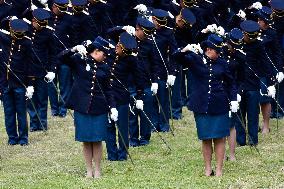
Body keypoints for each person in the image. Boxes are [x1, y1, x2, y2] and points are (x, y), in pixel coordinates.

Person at [173, 34, 238, 176]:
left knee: (220, 137)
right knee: (206, 137)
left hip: (219, 104)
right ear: (209, 49)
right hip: (201, 104)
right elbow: (176, 57)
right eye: (217, 51)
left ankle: (219, 169)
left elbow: (230, 82)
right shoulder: (195, 59)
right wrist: (185, 49)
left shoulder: (222, 63)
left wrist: (233, 99)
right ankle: (208, 168)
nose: (219, 54)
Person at [58, 36, 116, 178]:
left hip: (99, 107)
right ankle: (89, 170)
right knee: (85, 140)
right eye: (104, 53)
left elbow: (108, 89)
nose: (105, 57)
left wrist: (112, 107)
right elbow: (61, 58)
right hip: (82, 106)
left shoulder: (105, 67)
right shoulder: (79, 60)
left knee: (97, 140)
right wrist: (74, 49)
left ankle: (97, 169)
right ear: (96, 51)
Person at [105, 31, 144, 161]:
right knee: (109, 126)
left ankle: (122, 154)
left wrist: (139, 97)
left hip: (121, 96)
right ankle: (111, 154)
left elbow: (139, 79)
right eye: (117, 44)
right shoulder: (110, 54)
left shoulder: (131, 60)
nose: (116, 47)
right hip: (108, 96)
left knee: (122, 127)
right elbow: (108, 32)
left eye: (119, 46)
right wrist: (122, 28)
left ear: (125, 50)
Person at [0, 18, 35, 146]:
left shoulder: (26, 43)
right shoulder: (3, 38)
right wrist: (8, 18)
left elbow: (30, 64)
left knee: (21, 112)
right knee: (9, 113)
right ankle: (12, 138)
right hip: (5, 83)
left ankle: (23, 138)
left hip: (20, 83)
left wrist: (30, 85)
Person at [27, 8, 57, 132]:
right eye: (39, 24)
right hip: (28, 70)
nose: (42, 27)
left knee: (43, 98)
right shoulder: (26, 30)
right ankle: (34, 124)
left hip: (42, 69)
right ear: (33, 21)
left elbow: (53, 53)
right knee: (30, 98)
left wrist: (51, 70)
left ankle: (42, 122)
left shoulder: (48, 33)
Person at [257, 6, 284, 133]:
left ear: (265, 21)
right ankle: (253, 124)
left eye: (260, 20)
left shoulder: (272, 33)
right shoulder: (253, 31)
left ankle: (266, 125)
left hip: (265, 69)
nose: (258, 22)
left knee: (264, 98)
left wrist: (279, 70)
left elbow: (277, 53)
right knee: (251, 99)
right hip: (253, 69)